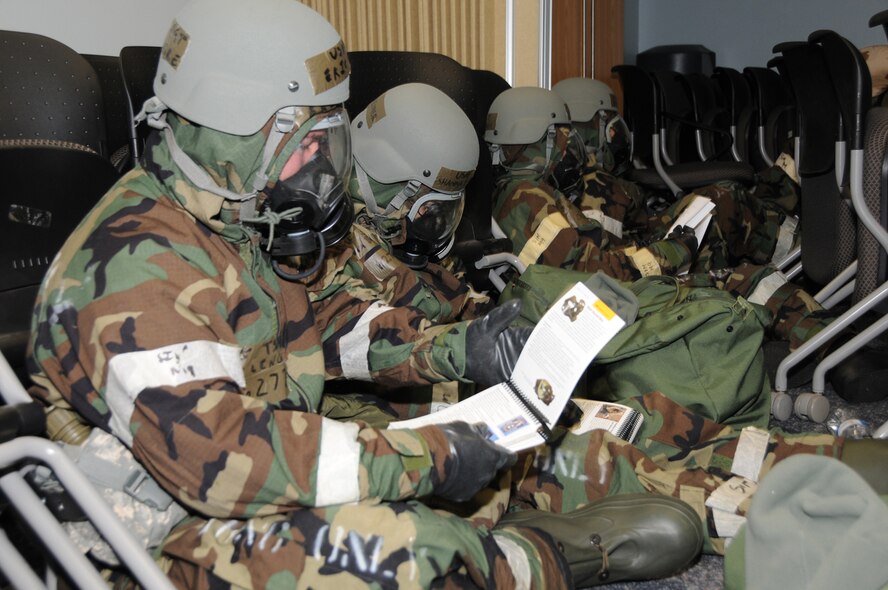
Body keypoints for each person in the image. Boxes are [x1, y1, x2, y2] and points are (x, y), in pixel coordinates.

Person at [25, 1, 709, 587]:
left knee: (531, 445)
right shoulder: (129, 264)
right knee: (409, 554)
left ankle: (690, 504)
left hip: (264, 473)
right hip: (156, 536)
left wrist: (455, 351)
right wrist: (430, 458)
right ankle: (542, 557)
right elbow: (225, 457)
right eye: (306, 140)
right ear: (235, 128)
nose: (325, 169)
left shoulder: (239, 219)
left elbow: (329, 328)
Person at [487, 84, 837, 370]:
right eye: (564, 137)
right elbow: (591, 273)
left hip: (617, 294)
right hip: (613, 304)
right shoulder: (524, 197)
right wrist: (671, 252)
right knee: (751, 279)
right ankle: (835, 353)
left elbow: (592, 254)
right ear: (544, 140)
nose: (571, 148)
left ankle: (830, 344)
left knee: (742, 268)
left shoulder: (537, 192)